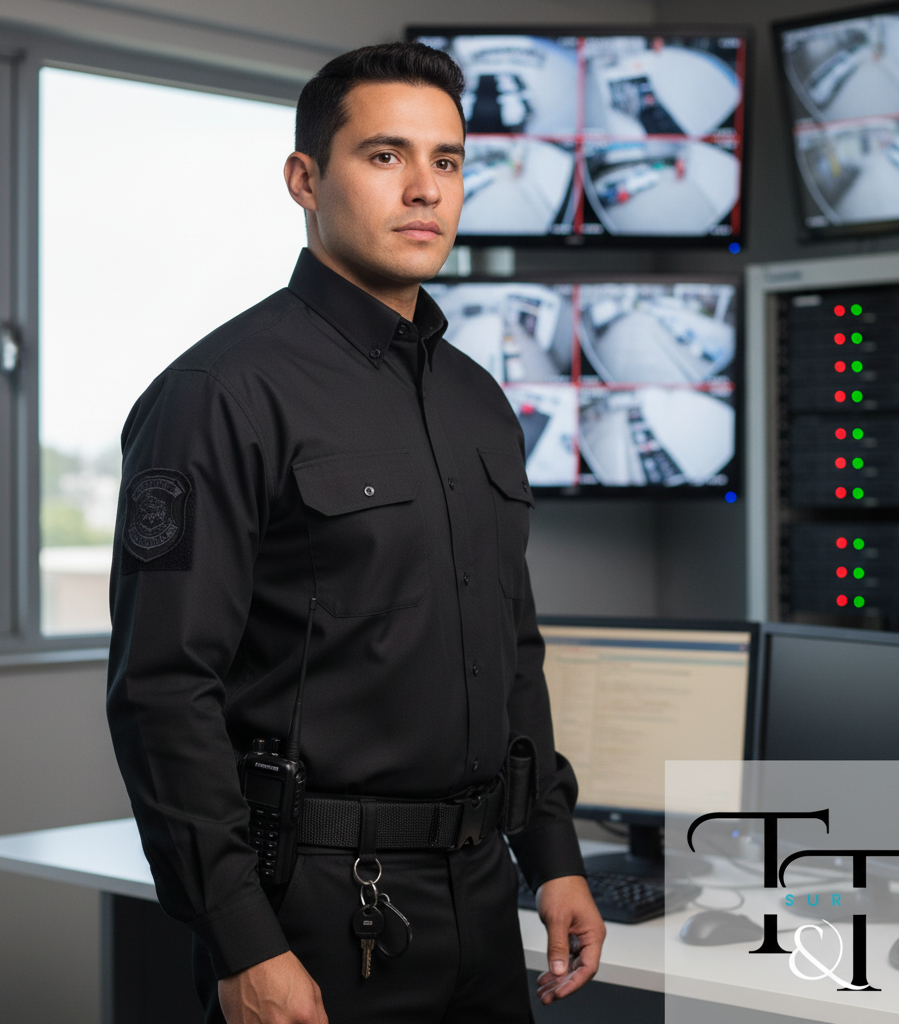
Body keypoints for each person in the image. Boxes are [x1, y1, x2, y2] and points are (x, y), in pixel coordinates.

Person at [106, 41, 605, 1024]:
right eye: (385, 156)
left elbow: (514, 651)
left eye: (448, 161)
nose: (425, 190)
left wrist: (552, 857)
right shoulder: (220, 395)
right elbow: (163, 691)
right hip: (318, 906)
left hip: (478, 892)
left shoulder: (479, 403)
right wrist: (243, 937)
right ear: (305, 178)